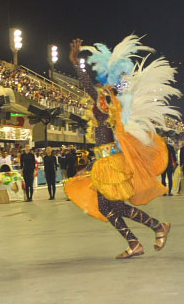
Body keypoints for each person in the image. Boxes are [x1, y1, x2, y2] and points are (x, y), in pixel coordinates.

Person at [64, 36, 176, 259]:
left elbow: (88, 85)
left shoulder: (105, 104)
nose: (97, 89)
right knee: (111, 206)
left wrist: (76, 63)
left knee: (109, 206)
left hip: (109, 165)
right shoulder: (113, 106)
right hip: (106, 161)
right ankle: (145, 235)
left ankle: (152, 229)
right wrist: (91, 165)